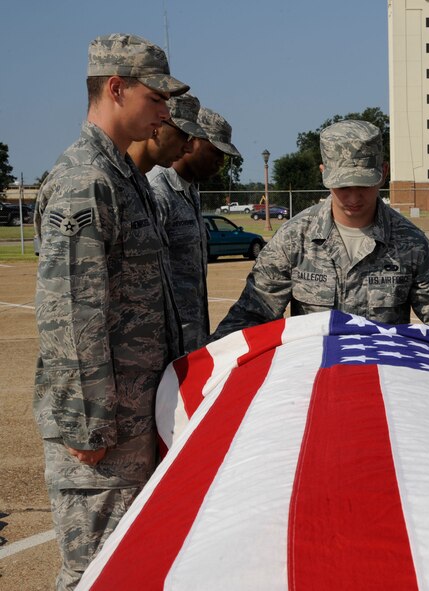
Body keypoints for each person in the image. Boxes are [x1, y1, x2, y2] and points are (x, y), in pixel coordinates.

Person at [34, 33, 187, 589]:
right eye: (157, 98)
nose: (165, 113)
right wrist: (86, 421)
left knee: (130, 567)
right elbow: (70, 311)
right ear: (116, 89)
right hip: (103, 433)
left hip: (131, 418)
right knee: (95, 573)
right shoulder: (86, 181)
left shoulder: (125, 177)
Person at [212, 120, 429, 339]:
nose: (353, 198)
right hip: (313, 385)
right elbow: (253, 313)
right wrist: (207, 359)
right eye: (342, 186)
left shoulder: (410, 244)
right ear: (324, 175)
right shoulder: (294, 239)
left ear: (384, 173)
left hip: (385, 387)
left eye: (363, 184)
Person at [148, 106, 240, 352]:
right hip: (163, 344)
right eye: (215, 152)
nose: (220, 162)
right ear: (192, 140)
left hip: (190, 338)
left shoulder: (190, 191)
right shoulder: (158, 191)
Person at [128, 93, 206, 174]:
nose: (189, 149)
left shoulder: (138, 181)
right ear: (155, 125)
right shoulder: (115, 175)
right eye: (183, 135)